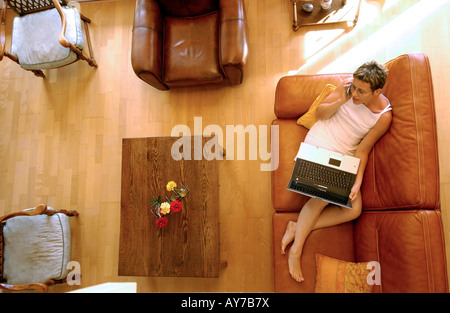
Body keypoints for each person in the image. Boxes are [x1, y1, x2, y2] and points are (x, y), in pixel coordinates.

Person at [281, 60, 393, 283]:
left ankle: (297, 226)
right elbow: (321, 114)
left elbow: (363, 149)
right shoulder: (347, 88)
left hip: (345, 153)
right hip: (322, 140)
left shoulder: (383, 117)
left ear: (377, 91)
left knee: (353, 210)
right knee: (323, 197)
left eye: (361, 91)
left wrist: (357, 181)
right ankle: (296, 251)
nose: (355, 94)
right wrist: (342, 99)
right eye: (355, 87)